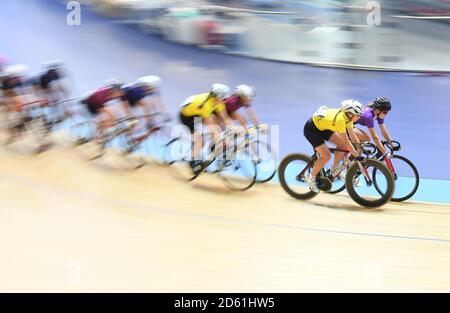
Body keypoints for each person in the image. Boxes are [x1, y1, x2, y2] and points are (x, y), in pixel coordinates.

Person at [303, 99, 365, 193]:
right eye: (358, 115)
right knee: (326, 156)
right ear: (350, 113)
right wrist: (356, 155)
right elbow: (347, 141)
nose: (359, 117)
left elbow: (352, 136)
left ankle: (334, 170)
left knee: (341, 145)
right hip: (312, 130)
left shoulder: (348, 118)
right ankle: (311, 178)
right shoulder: (340, 120)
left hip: (323, 126)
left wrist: (360, 147)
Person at [178, 83, 234, 174]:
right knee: (200, 141)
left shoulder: (218, 101)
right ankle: (192, 162)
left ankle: (214, 146)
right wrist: (220, 140)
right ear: (218, 96)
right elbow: (211, 125)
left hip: (197, 114)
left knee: (217, 124)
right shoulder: (206, 104)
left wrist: (232, 131)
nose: (225, 100)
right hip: (187, 117)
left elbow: (225, 118)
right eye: (224, 98)